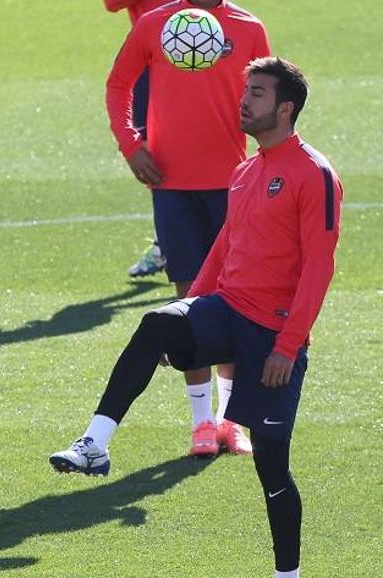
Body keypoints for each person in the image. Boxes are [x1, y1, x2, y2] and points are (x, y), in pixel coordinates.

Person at [50, 57, 343, 578]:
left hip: (273, 335)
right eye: (245, 91)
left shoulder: (313, 173)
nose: (243, 101)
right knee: (157, 322)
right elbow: (224, 247)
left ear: (285, 107)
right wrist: (188, 313)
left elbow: (319, 268)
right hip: (227, 311)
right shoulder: (246, 170)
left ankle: (288, 574)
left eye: (256, 93)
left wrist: (288, 344)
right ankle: (95, 443)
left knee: (272, 467)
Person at [105, 0, 270, 456]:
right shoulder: (155, 22)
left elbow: (267, 99)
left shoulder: (249, 27)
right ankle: (200, 423)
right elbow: (119, 83)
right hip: (172, 186)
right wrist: (130, 145)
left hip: (234, 183)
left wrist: (268, 165)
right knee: (189, 301)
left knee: (237, 299)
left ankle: (231, 420)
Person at [103, 0, 169, 278]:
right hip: (167, 55)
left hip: (161, 63)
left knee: (158, 155)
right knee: (158, 156)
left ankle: (169, 242)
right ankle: (167, 240)